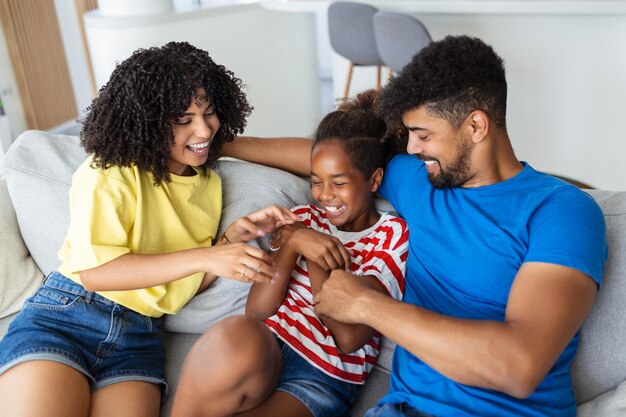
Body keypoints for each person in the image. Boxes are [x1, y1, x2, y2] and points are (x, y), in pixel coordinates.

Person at [219, 35, 608, 417]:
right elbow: (329, 159)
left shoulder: (561, 210)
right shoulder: (417, 180)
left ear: (476, 126)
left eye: (424, 135)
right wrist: (216, 146)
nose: (411, 148)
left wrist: (367, 305)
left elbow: (519, 366)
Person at [0, 41, 298, 417]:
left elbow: (177, 285)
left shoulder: (207, 184)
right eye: (183, 119)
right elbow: (96, 273)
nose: (204, 128)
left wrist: (228, 242)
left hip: (139, 336)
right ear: (148, 120)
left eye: (209, 113)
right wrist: (209, 254)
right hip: (69, 316)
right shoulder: (110, 172)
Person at [171, 90, 409, 417]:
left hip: (321, 372)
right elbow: (257, 311)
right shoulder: (304, 218)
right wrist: (295, 242)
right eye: (316, 182)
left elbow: (349, 337)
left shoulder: (392, 235)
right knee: (234, 335)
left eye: (338, 183)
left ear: (374, 180)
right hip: (267, 346)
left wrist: (312, 252)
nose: (325, 195)